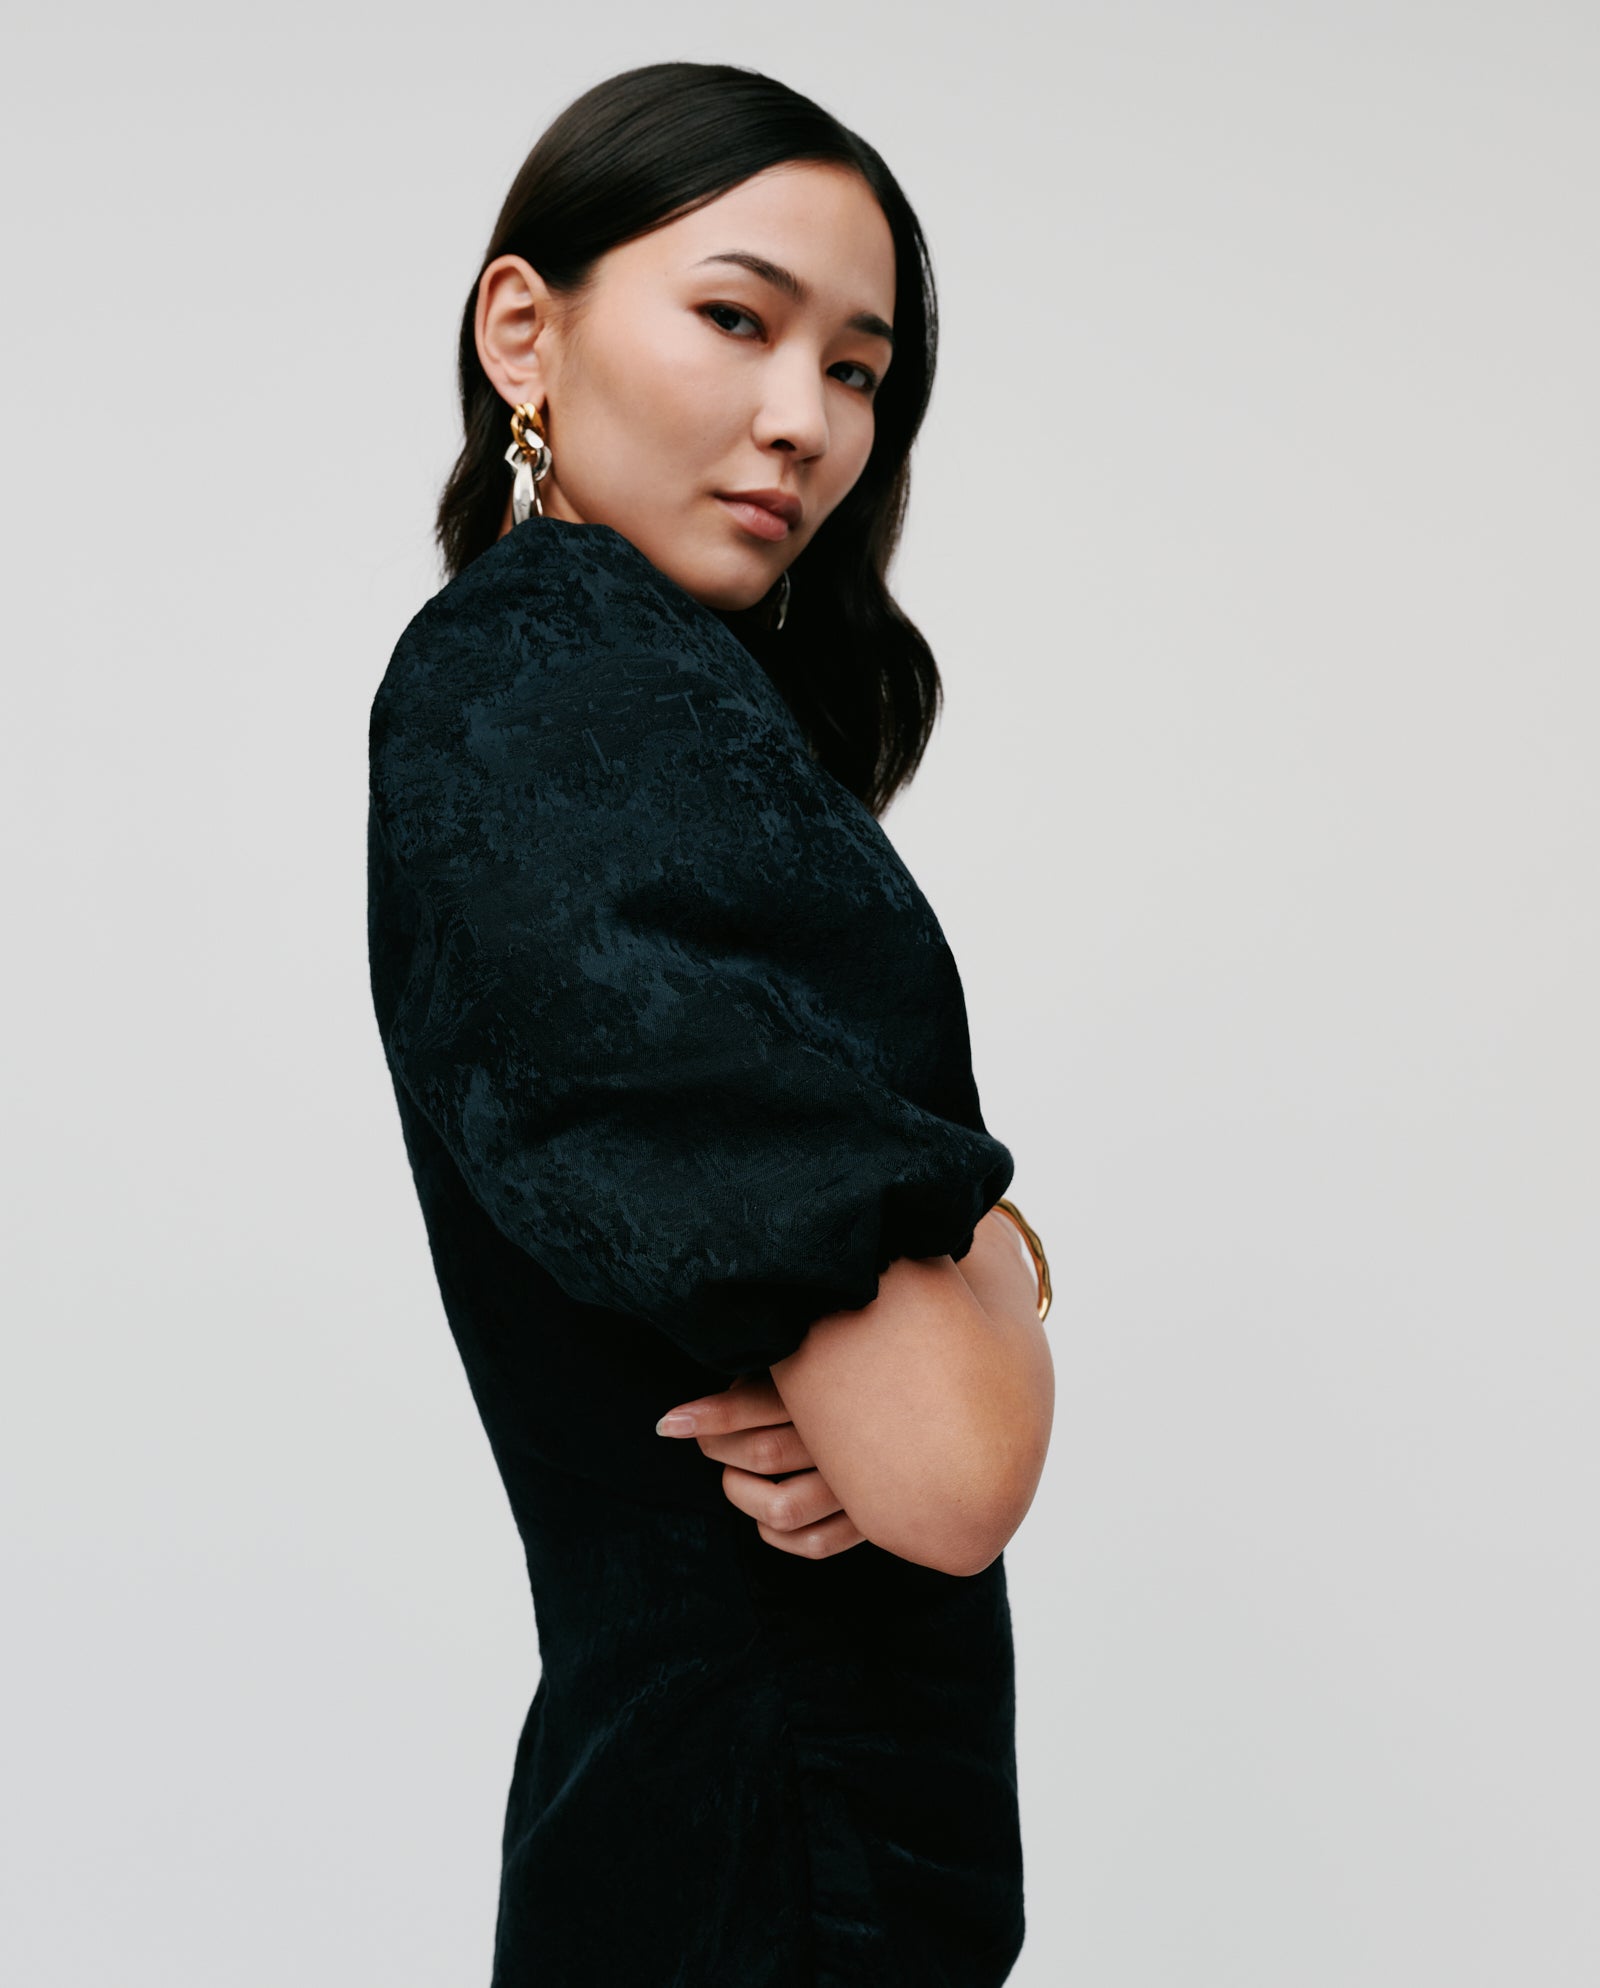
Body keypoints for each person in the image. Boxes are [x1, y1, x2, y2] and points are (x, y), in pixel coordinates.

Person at [366, 59, 1056, 1988]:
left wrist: (977, 1260)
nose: (803, 422)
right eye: (736, 317)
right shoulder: (581, 692)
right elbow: (946, 1466)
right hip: (766, 1879)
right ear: (528, 328)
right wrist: (997, 1271)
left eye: (857, 366)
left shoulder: (564, 690)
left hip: (705, 1846)